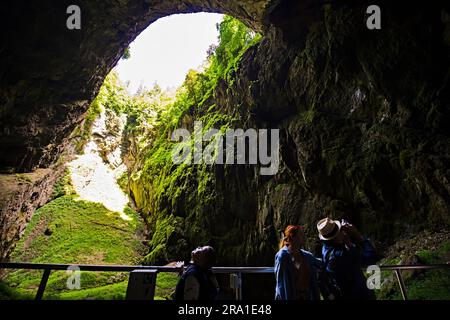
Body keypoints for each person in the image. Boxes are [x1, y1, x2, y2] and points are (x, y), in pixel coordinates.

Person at [317, 217, 378, 300]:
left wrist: (347, 243)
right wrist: (356, 234)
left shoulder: (326, 249)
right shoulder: (341, 255)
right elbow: (371, 257)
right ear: (336, 235)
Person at [274, 225, 323, 300]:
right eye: (300, 234)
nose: (303, 236)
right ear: (293, 237)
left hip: (306, 296)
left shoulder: (307, 256)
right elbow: (281, 284)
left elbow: (321, 264)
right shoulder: (283, 256)